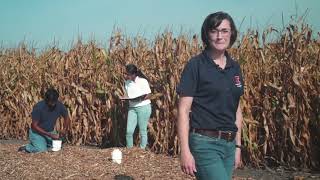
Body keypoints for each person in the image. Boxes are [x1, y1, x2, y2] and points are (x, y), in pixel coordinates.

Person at [177, 11, 244, 180]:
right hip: (204, 142)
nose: (220, 36)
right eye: (214, 31)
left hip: (229, 144)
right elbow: (183, 110)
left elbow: (236, 109)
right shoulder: (196, 65)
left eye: (224, 31)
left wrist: (237, 147)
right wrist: (184, 151)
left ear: (232, 33)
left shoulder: (234, 67)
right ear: (206, 35)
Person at [18, 88, 70, 153]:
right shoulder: (39, 107)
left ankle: (42, 144)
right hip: (37, 133)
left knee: (57, 148)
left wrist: (64, 129)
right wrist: (49, 135)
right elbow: (34, 126)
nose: (53, 103)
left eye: (54, 101)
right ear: (46, 99)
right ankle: (27, 147)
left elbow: (66, 117)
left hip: (50, 131)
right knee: (42, 150)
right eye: (51, 101)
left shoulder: (59, 105)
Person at [120, 64, 152, 149]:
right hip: (132, 108)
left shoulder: (143, 81)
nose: (128, 76)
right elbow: (127, 95)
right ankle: (129, 150)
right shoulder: (127, 83)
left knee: (142, 130)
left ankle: (142, 150)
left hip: (143, 107)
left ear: (134, 74)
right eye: (127, 74)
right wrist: (124, 98)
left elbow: (149, 95)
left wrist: (140, 99)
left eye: (129, 74)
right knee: (129, 131)